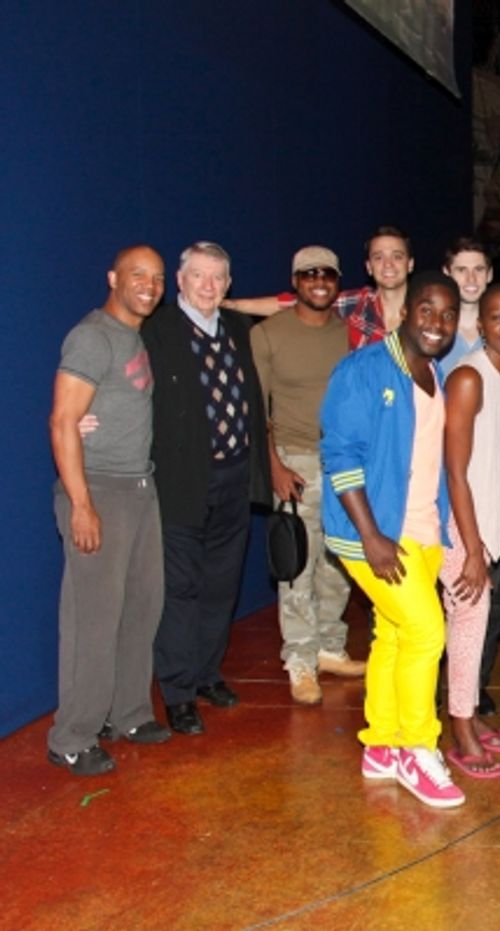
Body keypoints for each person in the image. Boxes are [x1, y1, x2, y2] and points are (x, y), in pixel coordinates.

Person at [321, 271, 464, 808]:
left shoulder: (436, 374)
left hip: (423, 529)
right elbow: (341, 457)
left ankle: (380, 742)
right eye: (427, 309)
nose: (437, 323)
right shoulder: (364, 370)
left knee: (395, 636)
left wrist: (442, 530)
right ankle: (415, 747)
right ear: (405, 311)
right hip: (376, 536)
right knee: (429, 634)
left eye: (448, 315)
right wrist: (373, 536)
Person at [47, 245, 171, 775]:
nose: (149, 285)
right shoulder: (92, 336)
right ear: (113, 277)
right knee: (92, 620)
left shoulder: (131, 338)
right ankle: (71, 735)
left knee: (142, 608)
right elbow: (61, 422)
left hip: (140, 489)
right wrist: (82, 505)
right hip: (99, 491)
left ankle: (129, 712)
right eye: (138, 274)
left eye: (158, 278)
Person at [144, 242, 271, 736]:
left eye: (218, 277)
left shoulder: (241, 331)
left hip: (235, 478)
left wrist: (237, 306)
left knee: (221, 583)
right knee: (181, 588)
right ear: (180, 281)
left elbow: (290, 305)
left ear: (229, 284)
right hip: (180, 484)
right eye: (198, 276)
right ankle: (177, 692)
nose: (208, 286)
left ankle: (205, 675)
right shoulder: (156, 332)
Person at [249, 245, 359, 705]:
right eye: (309, 274)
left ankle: (329, 647)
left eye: (328, 274)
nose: (319, 281)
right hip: (295, 460)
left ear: (337, 282)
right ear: (295, 282)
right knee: (297, 564)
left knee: (339, 561)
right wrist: (273, 464)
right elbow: (258, 409)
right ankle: (299, 659)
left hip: (346, 462)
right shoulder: (269, 334)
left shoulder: (350, 334)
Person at [438, 283, 500, 779]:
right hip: (461, 521)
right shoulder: (470, 376)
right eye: (498, 317)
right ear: (481, 325)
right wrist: (471, 547)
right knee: (469, 622)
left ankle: (470, 712)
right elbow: (454, 471)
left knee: (476, 626)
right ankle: (460, 729)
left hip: (492, 517)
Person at [223, 225, 414, 350]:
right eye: (378, 257)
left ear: (410, 264)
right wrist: (230, 304)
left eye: (397, 256)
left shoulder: (427, 312)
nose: (388, 264)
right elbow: (289, 303)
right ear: (369, 267)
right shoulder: (357, 304)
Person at [438, 236, 493, 372]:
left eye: (479, 269)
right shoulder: (432, 331)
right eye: (462, 270)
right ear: (447, 273)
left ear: (489, 274)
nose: (471, 278)